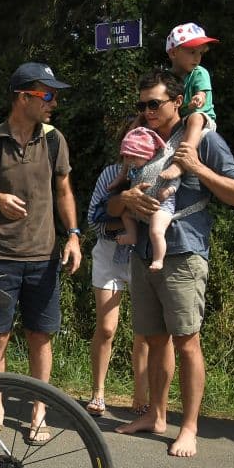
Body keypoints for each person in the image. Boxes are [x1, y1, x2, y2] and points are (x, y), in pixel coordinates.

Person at [110, 68, 234, 457]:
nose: (147, 111)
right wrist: (128, 202)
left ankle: (188, 427)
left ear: (177, 101)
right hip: (143, 255)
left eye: (154, 104)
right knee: (155, 341)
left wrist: (198, 167)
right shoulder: (142, 139)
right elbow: (112, 199)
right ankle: (155, 415)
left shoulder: (204, 139)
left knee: (187, 342)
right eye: (142, 105)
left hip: (184, 253)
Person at [0, 62, 82, 444]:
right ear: (23, 97)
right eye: (47, 95)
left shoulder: (54, 140)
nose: (53, 102)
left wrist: (74, 236)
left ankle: (38, 414)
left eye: (54, 95)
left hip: (43, 256)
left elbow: (63, 190)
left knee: (40, 336)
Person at [85, 161, 161, 417]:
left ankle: (141, 397)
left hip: (142, 252)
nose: (133, 152)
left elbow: (163, 214)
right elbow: (93, 221)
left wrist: (133, 222)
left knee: (145, 330)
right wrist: (127, 214)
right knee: (106, 328)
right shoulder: (109, 172)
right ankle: (98, 392)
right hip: (110, 251)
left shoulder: (157, 171)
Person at [157, 23, 219, 182]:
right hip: (180, 122)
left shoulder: (199, 72)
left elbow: (202, 93)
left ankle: (180, 163)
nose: (197, 57)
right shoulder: (166, 78)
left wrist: (199, 98)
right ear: (173, 53)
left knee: (195, 118)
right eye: (192, 52)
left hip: (203, 119)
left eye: (200, 53)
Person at [114, 127, 176, 271]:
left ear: (146, 154)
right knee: (126, 215)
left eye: (133, 157)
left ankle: (158, 259)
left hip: (161, 206)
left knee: (156, 231)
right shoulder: (135, 169)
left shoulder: (161, 165)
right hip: (141, 207)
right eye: (127, 157)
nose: (129, 161)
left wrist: (168, 190)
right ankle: (132, 235)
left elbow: (175, 180)